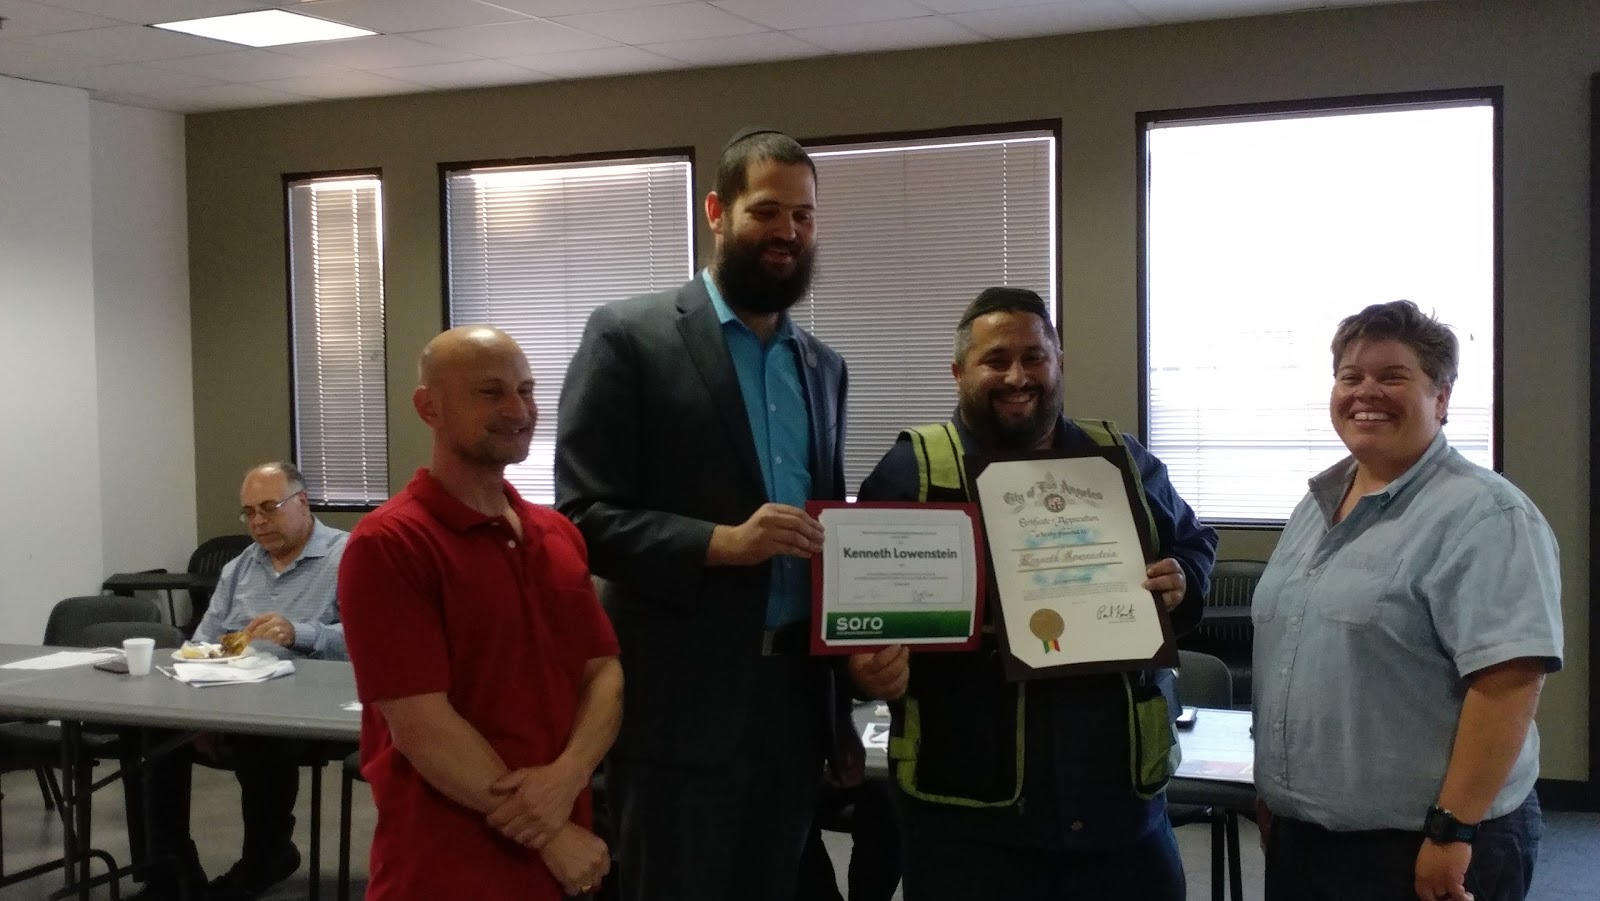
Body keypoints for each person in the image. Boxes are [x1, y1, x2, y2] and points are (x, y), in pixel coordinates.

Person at [554, 126, 859, 901]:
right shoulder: (630, 337)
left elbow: (829, 535)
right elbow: (582, 516)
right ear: (717, 212)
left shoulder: (823, 368)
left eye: (804, 215)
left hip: (794, 706)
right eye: (767, 211)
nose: (788, 231)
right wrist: (720, 543)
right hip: (678, 710)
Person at [849, 286, 1218, 901]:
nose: (1017, 377)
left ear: (1059, 363)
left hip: (1121, 809)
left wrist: (1184, 578)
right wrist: (864, 667)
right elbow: (859, 609)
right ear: (958, 372)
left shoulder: (1119, 459)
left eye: (1034, 357)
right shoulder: (913, 472)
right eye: (995, 360)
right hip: (971, 816)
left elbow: (1194, 541)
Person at [1252, 300, 1562, 901]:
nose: (1366, 392)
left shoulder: (1487, 516)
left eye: (1393, 376)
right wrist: (1276, 796)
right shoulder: (1314, 508)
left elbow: (1509, 683)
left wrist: (1452, 830)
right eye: (1350, 376)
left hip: (1426, 844)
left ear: (1441, 398)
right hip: (1305, 839)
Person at [339, 326, 623, 900]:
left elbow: (603, 673)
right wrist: (550, 834)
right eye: (490, 392)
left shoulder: (558, 534)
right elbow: (421, 725)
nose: (518, 410)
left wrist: (569, 775)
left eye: (526, 390)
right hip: (446, 870)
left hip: (561, 864)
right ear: (429, 408)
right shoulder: (389, 544)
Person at [125, 461, 347, 901]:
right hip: (228, 695)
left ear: (302, 502)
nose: (258, 522)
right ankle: (169, 870)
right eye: (249, 512)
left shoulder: (350, 556)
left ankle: (265, 858)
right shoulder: (241, 566)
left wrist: (301, 633)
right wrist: (198, 710)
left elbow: (371, 639)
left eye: (269, 508)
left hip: (310, 705)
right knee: (147, 730)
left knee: (259, 731)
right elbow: (202, 641)